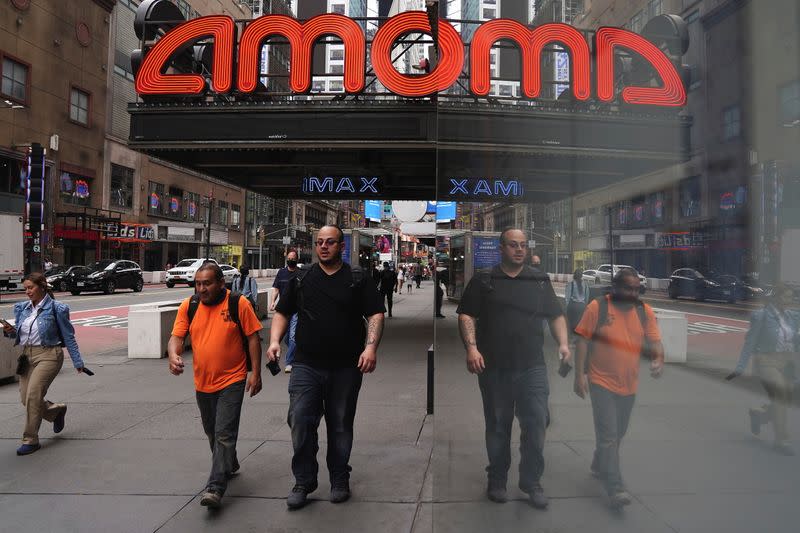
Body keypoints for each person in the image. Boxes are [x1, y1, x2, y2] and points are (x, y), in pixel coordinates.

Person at [268, 225, 385, 510]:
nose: (323, 247)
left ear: (340, 246)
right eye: (319, 242)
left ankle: (339, 476)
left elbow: (375, 313)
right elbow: (283, 312)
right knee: (300, 419)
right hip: (306, 363)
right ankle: (304, 480)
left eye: (330, 242)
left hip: (346, 366)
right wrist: (274, 342)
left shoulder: (357, 278)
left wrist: (370, 347)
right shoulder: (302, 278)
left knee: (341, 424)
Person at [457, 228, 570, 509]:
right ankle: (497, 478)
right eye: (512, 245)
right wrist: (471, 347)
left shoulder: (539, 281)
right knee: (498, 426)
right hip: (495, 368)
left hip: (532, 366)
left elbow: (556, 315)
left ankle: (531, 481)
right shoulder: (484, 280)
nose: (519, 250)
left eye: (522, 245)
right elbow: (467, 315)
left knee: (536, 423)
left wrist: (564, 345)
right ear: (501, 248)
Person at [167, 263, 263, 509]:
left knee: (223, 433)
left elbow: (253, 338)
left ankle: (215, 487)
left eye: (207, 283)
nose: (201, 289)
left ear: (221, 283)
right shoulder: (190, 306)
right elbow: (176, 337)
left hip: (233, 378)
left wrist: (256, 374)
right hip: (203, 381)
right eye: (198, 284)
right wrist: (173, 355)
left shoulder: (238, 303)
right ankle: (229, 462)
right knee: (212, 431)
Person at [573, 268, 664, 508]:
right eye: (628, 288)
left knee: (618, 433)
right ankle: (615, 487)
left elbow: (655, 341)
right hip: (600, 380)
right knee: (609, 435)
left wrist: (657, 359)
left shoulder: (644, 311)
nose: (633, 293)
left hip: (629, 383)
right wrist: (578, 375)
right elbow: (582, 339)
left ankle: (598, 462)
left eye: (636, 289)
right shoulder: (598, 307)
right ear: (615, 287)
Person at [3, 273, 86, 455]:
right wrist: (10, 331)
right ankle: (55, 411)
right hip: (27, 356)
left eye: (30, 288)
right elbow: (20, 335)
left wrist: (77, 361)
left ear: (42, 286)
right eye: (25, 288)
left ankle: (30, 440)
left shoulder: (57, 308)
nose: (27, 292)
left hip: (49, 355)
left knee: (33, 395)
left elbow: (68, 336)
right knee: (27, 399)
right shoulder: (22, 308)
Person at [728, 284, 799, 455]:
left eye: (790, 297)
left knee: (783, 398)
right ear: (774, 297)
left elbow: (794, 340)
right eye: (784, 297)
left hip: (787, 362)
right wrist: (740, 367)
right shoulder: (761, 316)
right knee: (780, 391)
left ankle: (759, 415)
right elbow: (750, 342)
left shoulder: (793, 316)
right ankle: (781, 439)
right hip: (766, 361)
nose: (788, 300)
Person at [271, 250, 300, 373]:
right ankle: (296, 352)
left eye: (293, 258)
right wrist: (273, 301)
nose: (291, 260)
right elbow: (276, 289)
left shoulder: (300, 274)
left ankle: (289, 362)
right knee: (288, 338)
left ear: (297, 260)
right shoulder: (281, 273)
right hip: (283, 310)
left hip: (296, 309)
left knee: (293, 335)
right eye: (289, 258)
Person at [565, 268, 590, 337]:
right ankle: (578, 337)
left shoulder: (571, 284)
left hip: (573, 306)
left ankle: (572, 337)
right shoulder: (585, 285)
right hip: (581, 306)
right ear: (581, 276)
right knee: (580, 322)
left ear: (574, 275)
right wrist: (585, 306)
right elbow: (587, 297)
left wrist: (567, 308)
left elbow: (567, 297)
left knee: (571, 322)